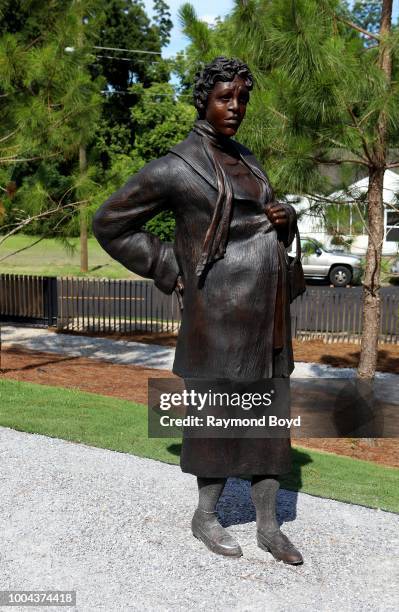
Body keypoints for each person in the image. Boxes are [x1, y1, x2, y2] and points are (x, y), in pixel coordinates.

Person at [92, 56, 303, 565]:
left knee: (268, 421)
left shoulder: (248, 160)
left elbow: (263, 224)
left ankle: (269, 526)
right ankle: (205, 516)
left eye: (242, 99)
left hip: (267, 314)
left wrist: (285, 219)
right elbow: (110, 223)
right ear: (204, 101)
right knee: (213, 419)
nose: (235, 108)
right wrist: (170, 264)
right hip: (217, 319)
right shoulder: (176, 166)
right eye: (224, 98)